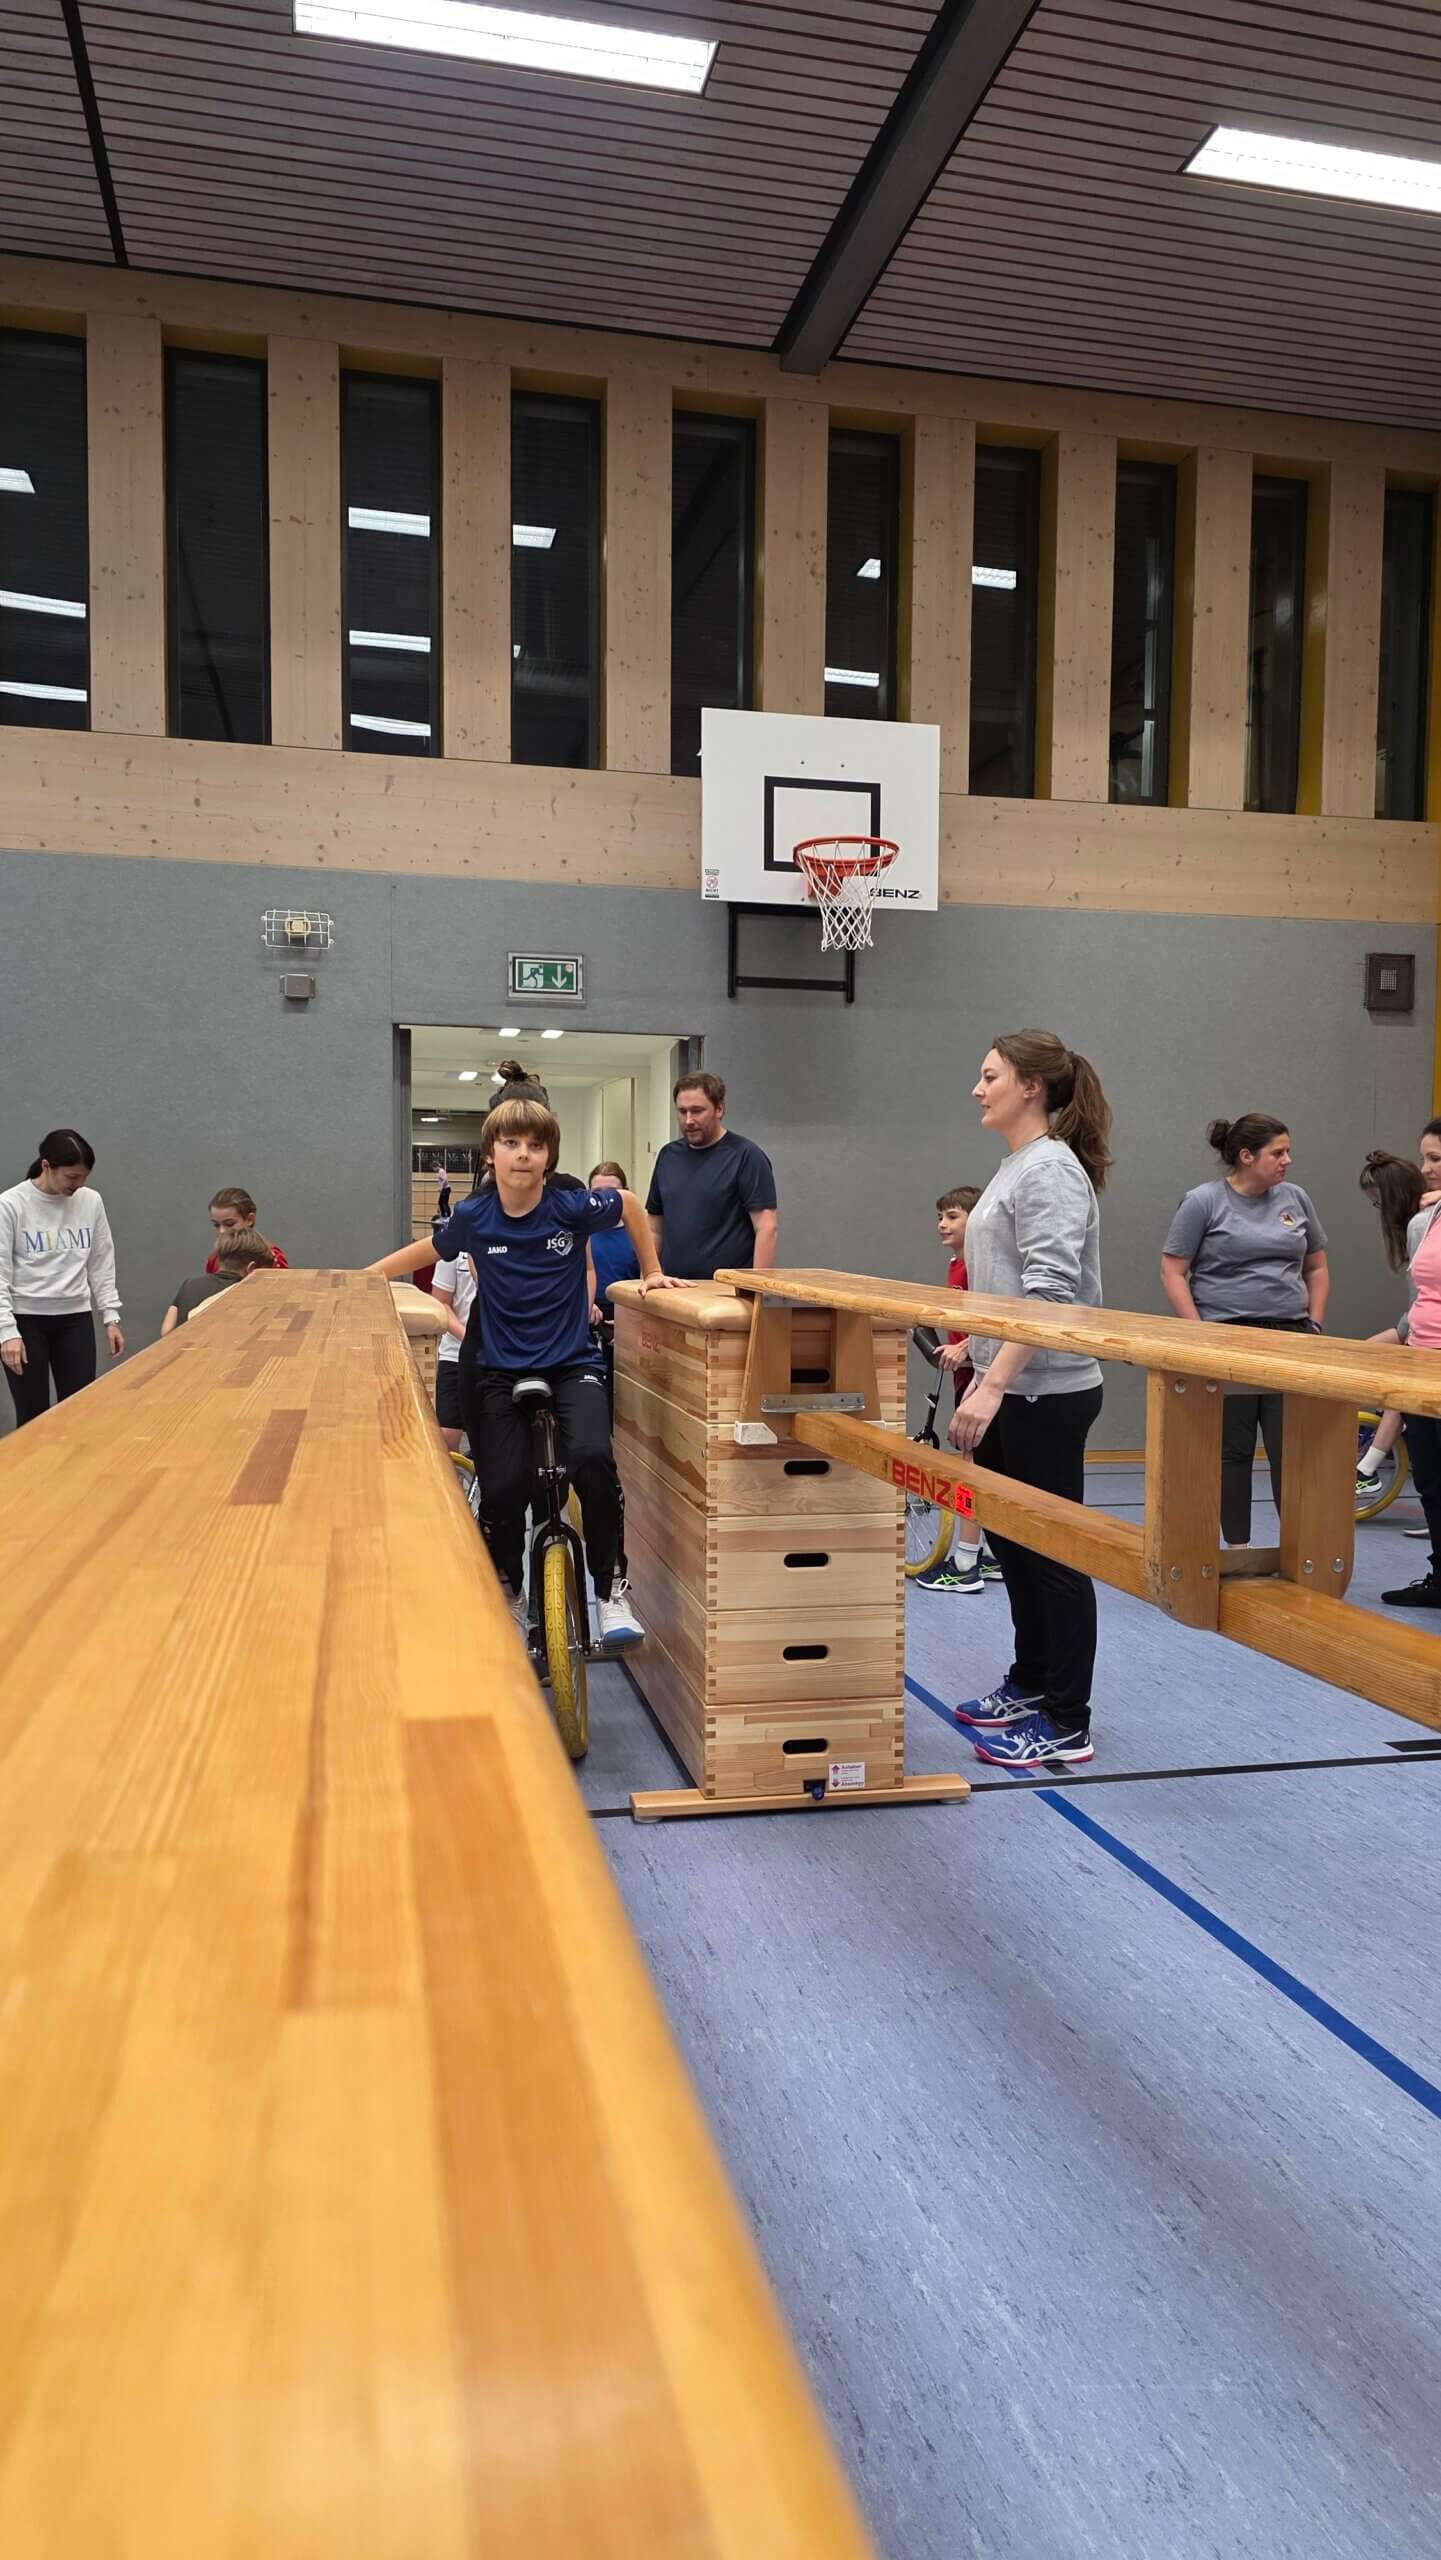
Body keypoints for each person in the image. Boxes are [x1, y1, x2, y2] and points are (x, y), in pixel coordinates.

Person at [367, 1096, 686, 1650]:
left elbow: (632, 1204)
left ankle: (611, 1589)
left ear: (548, 1158)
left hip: (571, 1363)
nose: (523, 1155)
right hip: (496, 1368)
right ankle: (508, 1590)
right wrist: (366, 1276)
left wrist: (652, 1269)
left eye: (535, 1146)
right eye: (511, 1144)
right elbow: (427, 1249)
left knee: (592, 1458)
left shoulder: (571, 1207)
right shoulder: (475, 1216)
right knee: (503, 1487)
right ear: (490, 1155)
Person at [948, 1031, 1112, 1767]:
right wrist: (974, 1352)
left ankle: (1068, 1720)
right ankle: (1032, 1679)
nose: (978, 1089)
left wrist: (991, 1384)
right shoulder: (1016, 1164)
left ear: (1031, 1087)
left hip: (1046, 1391)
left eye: (990, 1077)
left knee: (1054, 1558)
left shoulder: (1049, 1170)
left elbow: (1048, 1294)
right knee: (1014, 1548)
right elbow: (1004, 1285)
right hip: (1009, 1383)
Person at [1161, 1114, 1328, 1547]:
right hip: (1228, 1337)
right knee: (1233, 1449)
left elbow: (1316, 1266)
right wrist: (1198, 1333)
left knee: (1291, 1448)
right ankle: (1238, 1548)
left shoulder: (1296, 1198)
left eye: (1288, 1151)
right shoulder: (1203, 1201)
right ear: (1247, 1156)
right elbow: (1173, 1270)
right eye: (1278, 1152)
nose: (1287, 1160)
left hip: (1290, 1336)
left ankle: (1297, 1550)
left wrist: (1314, 1323)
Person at [1365, 1119, 1441, 1610]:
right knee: (1431, 1479)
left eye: (1437, 1159)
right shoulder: (1423, 1222)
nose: (1426, 1169)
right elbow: (1418, 1299)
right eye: (1425, 1158)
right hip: (1422, 1361)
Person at [0, 1128, 124, 1428]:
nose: (78, 1185)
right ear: (46, 1166)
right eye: (71, 1177)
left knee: (80, 1412)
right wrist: (7, 1332)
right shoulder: (10, 1205)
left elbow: (101, 1260)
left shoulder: (90, 1201)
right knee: (32, 1416)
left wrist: (110, 1315)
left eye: (84, 1178)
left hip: (75, 1319)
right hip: (26, 1321)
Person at [914, 1184, 1000, 1595]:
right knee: (987, 1463)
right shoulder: (957, 1264)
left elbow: (995, 1319)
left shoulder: (984, 1267)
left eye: (952, 1216)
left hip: (983, 1377)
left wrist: (967, 1348)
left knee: (972, 1465)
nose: (941, 1224)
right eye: (940, 1217)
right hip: (965, 1376)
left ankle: (966, 1563)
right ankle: (995, 1553)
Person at [646, 1072, 778, 1279]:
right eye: (682, 1111)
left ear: (719, 1109)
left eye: (697, 1111)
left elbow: (766, 1227)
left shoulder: (745, 1155)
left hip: (726, 1289)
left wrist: (757, 1288)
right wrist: (649, 1276)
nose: (688, 1120)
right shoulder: (667, 1156)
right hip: (674, 1287)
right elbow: (655, 1229)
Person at [1356, 1152, 1427, 1504]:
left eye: (1379, 1203)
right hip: (1417, 1324)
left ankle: (1367, 1469)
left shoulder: (1424, 1226)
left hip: (1425, 1332)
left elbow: (1423, 1299)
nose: (1379, 1211)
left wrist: (1403, 1334)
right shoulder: (1414, 1226)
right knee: (1360, 1355)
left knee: (1401, 1387)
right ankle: (1369, 1452)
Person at [162, 1229, 279, 1332]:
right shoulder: (249, 1295)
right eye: (264, 1274)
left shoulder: (189, 1284)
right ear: (251, 1269)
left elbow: (167, 1331)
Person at [431, 1241, 477, 1454]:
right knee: (447, 1438)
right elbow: (441, 1301)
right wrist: (468, 1337)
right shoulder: (454, 1248)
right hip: (456, 1354)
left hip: (499, 1356)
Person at [205, 1187, 289, 1274]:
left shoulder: (269, 1256)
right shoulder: (215, 1257)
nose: (221, 1231)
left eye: (229, 1224)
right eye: (216, 1225)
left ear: (249, 1220)